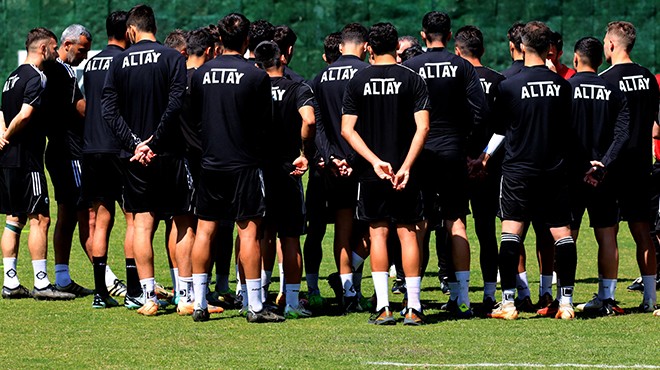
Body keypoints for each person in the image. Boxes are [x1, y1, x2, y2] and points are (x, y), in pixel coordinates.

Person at [188, 13, 283, 323]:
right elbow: (265, 125)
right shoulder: (257, 76)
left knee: (205, 231)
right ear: (247, 41)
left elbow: (196, 120)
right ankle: (255, 306)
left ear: (220, 39)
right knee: (249, 234)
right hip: (245, 165)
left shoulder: (201, 74)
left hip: (211, 163)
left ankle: (199, 303)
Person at [102, 4, 191, 316]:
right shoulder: (171, 57)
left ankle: (149, 297)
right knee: (180, 222)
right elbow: (176, 102)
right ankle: (184, 297)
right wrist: (156, 140)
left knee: (142, 223)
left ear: (130, 30)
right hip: (169, 153)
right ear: (154, 26)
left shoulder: (120, 61)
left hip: (135, 158)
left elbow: (108, 111)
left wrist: (135, 144)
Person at [341, 21, 430, 325]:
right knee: (408, 235)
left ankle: (383, 307)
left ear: (368, 47)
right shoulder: (413, 78)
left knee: (377, 235)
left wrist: (375, 161)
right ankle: (414, 308)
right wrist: (405, 166)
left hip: (372, 173)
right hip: (406, 171)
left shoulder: (357, 81)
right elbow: (424, 127)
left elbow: (347, 130)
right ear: (396, 46)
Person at [488, 21, 576, 320]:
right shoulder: (563, 86)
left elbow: (499, 128)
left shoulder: (508, 85)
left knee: (511, 233)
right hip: (554, 169)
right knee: (562, 235)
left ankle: (509, 303)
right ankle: (565, 304)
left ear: (522, 46)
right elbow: (567, 129)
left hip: (518, 169)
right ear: (549, 48)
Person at [403, 11, 487, 318]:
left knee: (419, 225)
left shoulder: (410, 67)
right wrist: (468, 148)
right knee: (456, 221)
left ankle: (413, 301)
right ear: (450, 36)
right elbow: (480, 112)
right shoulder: (462, 65)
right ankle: (462, 299)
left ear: (423, 35)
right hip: (453, 152)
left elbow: (402, 116)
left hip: (421, 153)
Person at [0, 27, 75, 300]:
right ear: (43, 49)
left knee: (13, 219)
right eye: (54, 48)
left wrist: (1, 136)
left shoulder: (12, 75)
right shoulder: (37, 77)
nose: (56, 53)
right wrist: (8, 135)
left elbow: (1, 110)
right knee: (40, 218)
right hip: (27, 159)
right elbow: (26, 113)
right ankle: (42, 283)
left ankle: (10, 282)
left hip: (7, 158)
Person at [562, 37, 630, 317]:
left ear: (576, 59)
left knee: (567, 237)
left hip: (572, 175)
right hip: (604, 177)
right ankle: (608, 298)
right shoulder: (613, 90)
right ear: (600, 60)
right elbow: (622, 133)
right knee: (607, 235)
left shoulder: (566, 88)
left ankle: (563, 298)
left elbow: (562, 133)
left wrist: (582, 166)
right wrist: (602, 164)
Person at [311, 22, 371, 312]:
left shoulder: (319, 78)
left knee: (343, 232)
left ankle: (348, 292)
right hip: (365, 166)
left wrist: (331, 158)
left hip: (333, 168)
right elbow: (369, 125)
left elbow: (317, 125)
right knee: (375, 230)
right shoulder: (367, 74)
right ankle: (349, 289)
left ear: (340, 45)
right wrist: (354, 160)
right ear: (365, 46)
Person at [600, 21, 659, 313]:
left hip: (613, 166)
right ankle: (650, 299)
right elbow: (657, 126)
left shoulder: (606, 80)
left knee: (608, 232)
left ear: (611, 45)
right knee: (643, 232)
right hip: (641, 167)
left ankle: (607, 296)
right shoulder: (649, 78)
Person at [255, 40, 316, 318]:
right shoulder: (298, 87)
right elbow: (310, 120)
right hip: (289, 170)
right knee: (290, 237)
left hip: (259, 170)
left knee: (258, 235)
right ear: (282, 58)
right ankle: (291, 302)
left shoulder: (252, 87)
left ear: (257, 63)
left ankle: (257, 295)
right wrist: (304, 151)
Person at [82, 11, 133, 308]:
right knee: (132, 220)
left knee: (100, 222)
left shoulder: (91, 63)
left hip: (91, 149)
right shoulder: (124, 61)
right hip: (118, 148)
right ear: (128, 32)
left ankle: (100, 293)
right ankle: (134, 291)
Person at [453, 25, 506, 312]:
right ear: (483, 50)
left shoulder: (456, 80)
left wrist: (465, 157)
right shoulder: (500, 81)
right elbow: (503, 128)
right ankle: (488, 293)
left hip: (458, 166)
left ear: (457, 51)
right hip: (489, 168)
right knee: (487, 231)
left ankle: (457, 294)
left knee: (453, 227)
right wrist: (484, 158)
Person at [41, 24, 95, 298]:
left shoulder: (56, 71)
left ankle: (62, 277)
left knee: (68, 215)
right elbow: (81, 108)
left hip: (59, 151)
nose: (84, 55)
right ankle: (105, 277)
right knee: (85, 214)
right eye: (82, 49)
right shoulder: (60, 71)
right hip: (69, 152)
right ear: (67, 44)